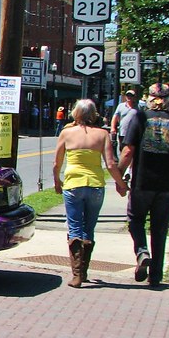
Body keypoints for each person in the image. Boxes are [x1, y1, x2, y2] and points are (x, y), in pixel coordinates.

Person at [118, 83, 169, 287]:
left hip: (142, 182)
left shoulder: (140, 117)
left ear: (148, 98)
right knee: (160, 229)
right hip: (166, 184)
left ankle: (142, 251)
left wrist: (119, 176)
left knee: (135, 220)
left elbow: (128, 151)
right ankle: (156, 275)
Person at [54, 99, 128, 287]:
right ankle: (83, 271)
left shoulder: (66, 133)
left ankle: (77, 275)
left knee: (75, 228)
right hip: (95, 185)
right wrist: (121, 184)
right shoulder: (102, 135)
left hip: (73, 184)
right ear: (93, 115)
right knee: (89, 228)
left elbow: (57, 163)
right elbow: (110, 164)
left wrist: (57, 181)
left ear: (75, 114)